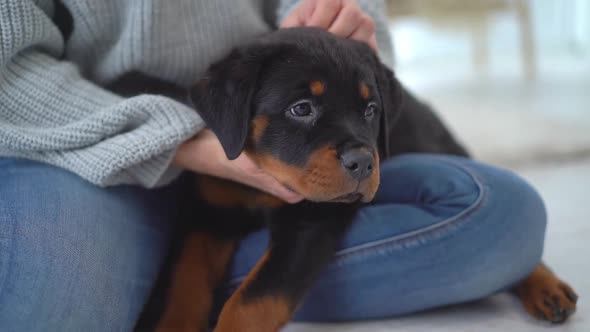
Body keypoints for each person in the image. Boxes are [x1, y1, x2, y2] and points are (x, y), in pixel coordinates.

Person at [0, 0, 546, 330]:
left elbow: (354, 38)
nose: (360, 150)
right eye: (302, 109)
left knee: (507, 216)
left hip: (255, 119)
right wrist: (190, 143)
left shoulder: (340, 147)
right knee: (49, 310)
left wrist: (340, 18)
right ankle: (200, 272)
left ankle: (204, 276)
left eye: (370, 112)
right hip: (78, 140)